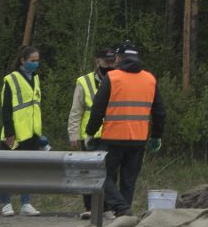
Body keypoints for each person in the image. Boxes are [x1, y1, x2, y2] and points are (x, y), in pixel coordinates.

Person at [86, 43, 165, 217]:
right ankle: (124, 216)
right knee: (129, 180)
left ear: (118, 59)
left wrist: (90, 133)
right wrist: (156, 136)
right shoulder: (150, 79)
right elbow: (159, 111)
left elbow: (98, 109)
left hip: (113, 138)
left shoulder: (113, 78)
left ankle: (121, 208)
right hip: (138, 139)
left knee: (102, 175)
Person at [0, 46, 48, 216]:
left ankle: (26, 203)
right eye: (32, 61)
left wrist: (39, 133)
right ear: (22, 60)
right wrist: (10, 133)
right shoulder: (10, 79)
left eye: (37, 60)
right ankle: (6, 203)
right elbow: (5, 109)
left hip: (32, 132)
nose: (35, 64)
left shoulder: (35, 78)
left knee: (28, 169)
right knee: (7, 170)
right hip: (15, 133)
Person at [68, 45, 116, 215]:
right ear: (98, 61)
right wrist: (73, 133)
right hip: (88, 135)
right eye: (107, 62)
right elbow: (76, 110)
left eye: (112, 62)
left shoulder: (118, 79)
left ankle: (107, 208)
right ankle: (89, 207)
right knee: (87, 172)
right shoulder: (84, 81)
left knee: (108, 172)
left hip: (112, 133)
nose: (110, 66)